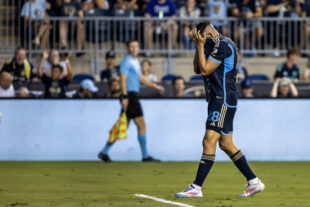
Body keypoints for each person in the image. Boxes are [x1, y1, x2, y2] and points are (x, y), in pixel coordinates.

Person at [175, 21, 265, 198]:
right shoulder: (210, 43)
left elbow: (206, 70)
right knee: (226, 144)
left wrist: (201, 45)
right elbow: (197, 68)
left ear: (207, 34)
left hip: (222, 99)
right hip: (218, 99)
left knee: (209, 141)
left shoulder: (223, 45)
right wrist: (198, 46)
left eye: (199, 37)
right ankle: (254, 182)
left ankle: (196, 187)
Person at [98, 40, 165, 162]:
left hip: (131, 95)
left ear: (139, 48)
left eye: (136, 46)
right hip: (129, 95)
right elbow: (123, 79)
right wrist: (124, 96)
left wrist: (155, 86)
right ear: (128, 48)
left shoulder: (135, 62)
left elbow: (140, 78)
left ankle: (104, 152)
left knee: (123, 125)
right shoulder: (126, 62)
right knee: (141, 124)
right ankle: (145, 156)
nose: (134, 48)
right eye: (131, 47)